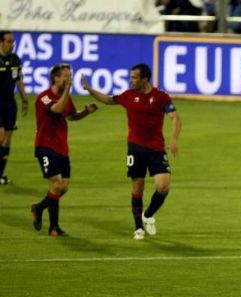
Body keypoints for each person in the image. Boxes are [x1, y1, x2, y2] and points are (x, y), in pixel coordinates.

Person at [81, 63, 182, 240]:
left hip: (156, 149)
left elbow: (175, 117)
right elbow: (109, 100)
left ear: (144, 79)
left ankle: (148, 215)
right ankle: (138, 228)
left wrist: (174, 139)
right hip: (135, 148)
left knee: (163, 186)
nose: (131, 80)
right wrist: (90, 90)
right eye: (131, 76)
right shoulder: (128, 96)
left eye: (134, 77)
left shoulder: (160, 97)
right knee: (137, 187)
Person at [31, 64, 98, 236]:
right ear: (56, 78)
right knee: (56, 184)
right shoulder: (44, 97)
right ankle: (54, 227)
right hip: (45, 146)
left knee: (63, 187)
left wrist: (86, 112)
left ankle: (38, 208)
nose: (69, 78)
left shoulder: (65, 97)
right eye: (66, 76)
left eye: (70, 75)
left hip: (61, 148)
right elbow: (57, 109)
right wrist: (68, 89)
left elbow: (71, 115)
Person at [0, 31, 28, 185]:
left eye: (13, 42)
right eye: (9, 41)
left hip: (10, 104)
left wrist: (24, 99)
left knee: (7, 141)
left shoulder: (15, 59)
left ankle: (1, 174)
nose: (12, 44)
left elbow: (18, 79)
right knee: (1, 136)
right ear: (1, 42)